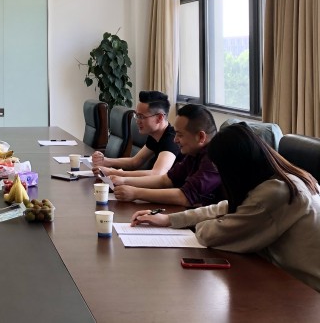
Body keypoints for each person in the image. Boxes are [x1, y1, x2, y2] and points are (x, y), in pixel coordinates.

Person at [131, 123, 320, 292]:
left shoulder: (276, 194)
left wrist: (203, 225)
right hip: (286, 279)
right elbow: (225, 207)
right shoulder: (285, 179)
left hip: (306, 292)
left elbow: (212, 235)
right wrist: (169, 220)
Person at [110, 104, 222, 207]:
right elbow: (166, 180)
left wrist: (136, 193)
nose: (175, 140)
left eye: (180, 135)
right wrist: (124, 180)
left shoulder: (216, 156)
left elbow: (184, 197)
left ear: (201, 137)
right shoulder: (195, 153)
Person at [92, 90, 180, 177]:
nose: (137, 121)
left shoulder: (172, 139)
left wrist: (114, 172)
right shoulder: (155, 135)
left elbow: (157, 174)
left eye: (141, 117)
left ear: (159, 118)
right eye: (137, 116)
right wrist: (105, 161)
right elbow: (134, 162)